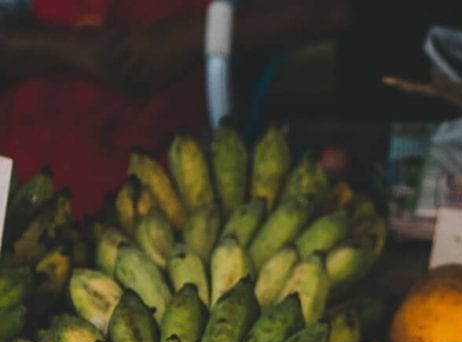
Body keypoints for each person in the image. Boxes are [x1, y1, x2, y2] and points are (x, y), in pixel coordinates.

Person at [0, 0, 350, 216]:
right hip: (28, 166)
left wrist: (200, 34)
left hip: (172, 185)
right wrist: (72, 48)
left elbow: (335, 10)